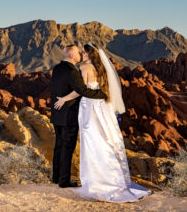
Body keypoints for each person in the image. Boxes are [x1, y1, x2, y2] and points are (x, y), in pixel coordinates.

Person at [54, 42, 152, 202]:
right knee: (105, 140)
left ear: (88, 55)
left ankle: (97, 183)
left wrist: (64, 99)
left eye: (83, 54)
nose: (81, 56)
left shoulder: (85, 68)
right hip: (102, 107)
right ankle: (112, 180)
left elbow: (80, 91)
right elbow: (99, 89)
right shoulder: (100, 69)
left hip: (90, 108)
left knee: (93, 142)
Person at [50, 44, 107, 188]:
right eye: (78, 53)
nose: (80, 55)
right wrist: (103, 94)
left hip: (57, 114)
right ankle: (64, 181)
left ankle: (55, 177)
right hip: (69, 115)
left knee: (58, 146)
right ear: (72, 55)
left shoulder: (57, 68)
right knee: (67, 148)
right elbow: (82, 91)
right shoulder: (72, 71)